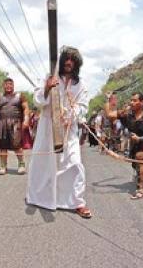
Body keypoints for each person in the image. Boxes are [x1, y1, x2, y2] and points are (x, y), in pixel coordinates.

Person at [26, 47, 92, 218]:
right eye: (67, 59)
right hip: (48, 127)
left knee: (75, 163)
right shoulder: (50, 77)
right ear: (62, 61)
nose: (69, 62)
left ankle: (77, 202)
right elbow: (38, 100)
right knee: (45, 164)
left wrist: (71, 115)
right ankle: (41, 198)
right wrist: (47, 88)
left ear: (77, 64)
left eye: (73, 60)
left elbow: (83, 107)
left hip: (69, 130)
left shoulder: (81, 85)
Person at [108, 92, 143, 199]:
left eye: (135, 100)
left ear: (142, 102)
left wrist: (140, 138)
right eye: (131, 100)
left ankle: (140, 188)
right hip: (133, 143)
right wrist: (110, 100)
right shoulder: (127, 114)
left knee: (140, 157)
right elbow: (109, 114)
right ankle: (141, 173)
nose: (132, 102)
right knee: (135, 164)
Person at [0, 79, 30, 175]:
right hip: (2, 123)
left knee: (17, 145)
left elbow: (26, 108)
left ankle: (21, 165)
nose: (8, 86)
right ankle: (3, 166)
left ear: (13, 85)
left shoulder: (20, 96)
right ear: (3, 85)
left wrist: (26, 119)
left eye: (10, 84)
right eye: (6, 84)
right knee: (2, 146)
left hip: (16, 123)